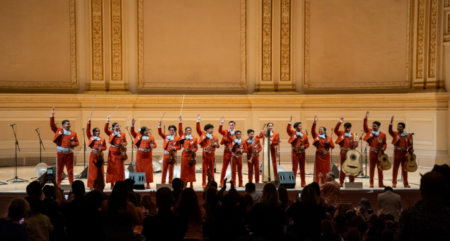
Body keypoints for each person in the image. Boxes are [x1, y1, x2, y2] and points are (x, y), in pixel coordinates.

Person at [395, 172, 450, 241]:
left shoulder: (409, 215)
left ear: (421, 190)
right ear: (444, 190)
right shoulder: (448, 215)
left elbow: (398, 238)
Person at [50, 107, 79, 185]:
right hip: (60, 154)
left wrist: (75, 144)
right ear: (63, 125)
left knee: (70, 170)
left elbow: (77, 143)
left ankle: (72, 184)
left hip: (69, 154)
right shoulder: (59, 131)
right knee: (59, 170)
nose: (69, 125)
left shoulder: (73, 133)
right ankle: (58, 185)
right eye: (67, 124)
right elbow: (52, 125)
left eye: (69, 124)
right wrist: (52, 115)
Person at [363, 111, 387, 188]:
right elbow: (365, 127)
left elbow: (385, 143)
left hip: (379, 153)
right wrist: (366, 118)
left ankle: (381, 183)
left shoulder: (383, 134)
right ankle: (371, 183)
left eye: (375, 126)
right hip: (372, 152)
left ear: (378, 127)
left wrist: (384, 148)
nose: (373, 127)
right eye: (373, 126)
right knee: (371, 169)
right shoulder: (370, 132)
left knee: (380, 169)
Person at [389, 115, 413, 188]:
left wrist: (410, 148)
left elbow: (410, 144)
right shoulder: (395, 134)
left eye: (400, 127)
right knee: (395, 169)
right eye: (398, 127)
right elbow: (390, 131)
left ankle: (405, 183)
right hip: (397, 153)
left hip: (405, 154)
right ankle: (394, 183)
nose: (398, 128)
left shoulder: (408, 135)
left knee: (405, 169)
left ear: (403, 128)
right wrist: (391, 122)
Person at [131, 119, 156, 189]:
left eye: (148, 130)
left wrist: (153, 146)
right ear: (142, 131)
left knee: (148, 170)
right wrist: (132, 125)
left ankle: (148, 183)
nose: (147, 132)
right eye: (146, 131)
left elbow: (155, 145)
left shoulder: (151, 137)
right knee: (139, 169)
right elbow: (132, 132)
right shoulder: (138, 136)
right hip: (140, 155)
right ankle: (139, 183)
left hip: (148, 155)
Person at [196, 114, 220, 187]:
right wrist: (198, 120)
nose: (212, 130)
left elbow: (218, 146)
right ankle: (204, 183)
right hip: (205, 153)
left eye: (212, 129)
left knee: (212, 169)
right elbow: (197, 129)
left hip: (212, 154)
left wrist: (216, 145)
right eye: (210, 129)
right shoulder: (203, 134)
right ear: (207, 130)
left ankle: (212, 181)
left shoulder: (215, 137)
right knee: (204, 169)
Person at [334, 117, 359, 187]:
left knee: (351, 167)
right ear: (344, 128)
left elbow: (357, 144)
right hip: (343, 153)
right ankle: (341, 182)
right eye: (346, 128)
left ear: (350, 128)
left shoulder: (355, 135)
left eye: (348, 128)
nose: (347, 129)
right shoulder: (341, 133)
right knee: (343, 167)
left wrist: (355, 144)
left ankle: (352, 182)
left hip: (351, 154)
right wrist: (339, 123)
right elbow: (335, 130)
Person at [104, 116, 127, 189]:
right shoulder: (111, 133)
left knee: (120, 168)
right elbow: (105, 130)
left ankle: (120, 183)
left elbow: (126, 141)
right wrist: (107, 121)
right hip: (112, 152)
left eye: (118, 126)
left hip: (120, 152)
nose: (118, 127)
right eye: (116, 126)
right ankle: (112, 184)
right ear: (113, 127)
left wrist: (125, 144)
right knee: (112, 168)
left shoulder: (122, 134)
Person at [287, 116, 310, 187]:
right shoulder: (293, 133)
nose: (301, 127)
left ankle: (303, 182)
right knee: (294, 168)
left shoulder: (305, 135)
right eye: (299, 126)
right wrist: (290, 121)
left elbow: (308, 143)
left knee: (302, 168)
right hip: (295, 153)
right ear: (296, 127)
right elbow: (288, 129)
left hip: (302, 153)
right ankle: (292, 182)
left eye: (301, 126)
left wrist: (305, 146)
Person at [311, 115, 335, 183]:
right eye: (319, 130)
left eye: (321, 130)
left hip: (326, 155)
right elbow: (312, 131)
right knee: (318, 169)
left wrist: (329, 143)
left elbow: (333, 147)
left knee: (326, 169)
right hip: (318, 155)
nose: (319, 131)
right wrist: (314, 122)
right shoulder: (316, 136)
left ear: (324, 131)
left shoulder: (329, 138)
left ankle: (327, 181)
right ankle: (317, 182)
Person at [86, 117, 107, 190]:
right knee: (92, 171)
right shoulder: (91, 137)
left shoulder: (102, 139)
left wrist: (102, 148)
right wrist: (89, 123)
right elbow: (87, 131)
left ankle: (100, 184)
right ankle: (91, 185)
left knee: (100, 170)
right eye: (96, 131)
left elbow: (105, 147)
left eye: (99, 131)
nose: (98, 132)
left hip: (100, 156)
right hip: (93, 155)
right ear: (93, 132)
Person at [178, 116, 198, 188]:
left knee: (191, 170)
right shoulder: (183, 137)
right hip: (184, 154)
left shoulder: (194, 138)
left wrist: (194, 150)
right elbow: (180, 130)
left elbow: (196, 147)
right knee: (184, 169)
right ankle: (184, 182)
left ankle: (191, 184)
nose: (188, 131)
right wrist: (180, 121)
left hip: (191, 155)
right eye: (187, 130)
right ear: (185, 132)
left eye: (190, 130)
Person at [218, 117, 237, 187]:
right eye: (230, 125)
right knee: (224, 167)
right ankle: (221, 181)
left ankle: (233, 181)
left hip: (233, 152)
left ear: (234, 126)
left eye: (232, 125)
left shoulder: (236, 133)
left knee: (233, 168)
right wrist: (221, 123)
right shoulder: (225, 131)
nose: (231, 126)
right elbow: (220, 131)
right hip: (226, 152)